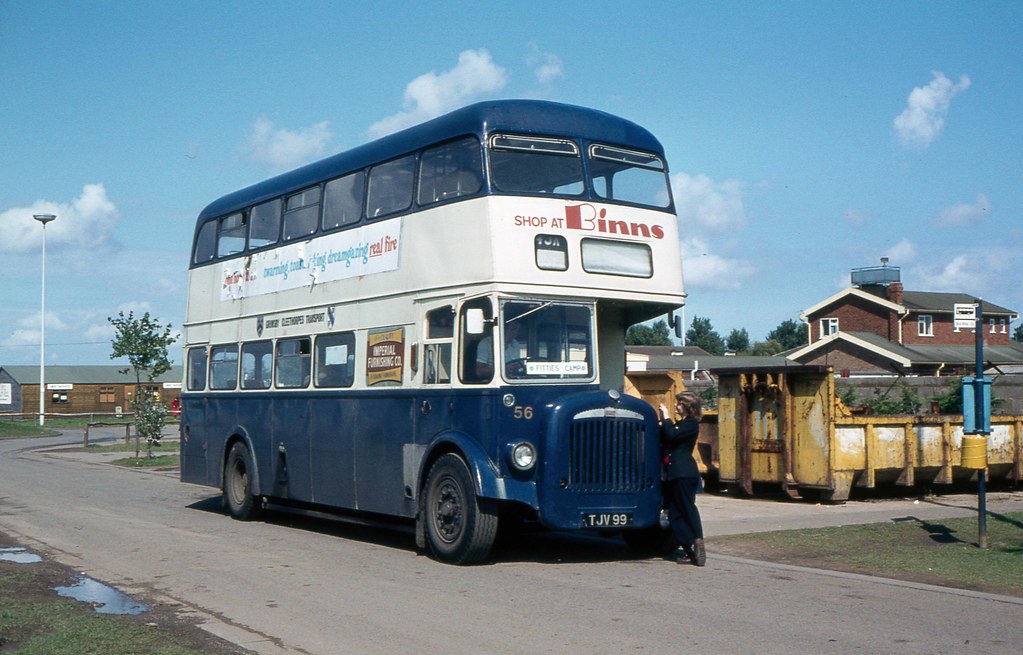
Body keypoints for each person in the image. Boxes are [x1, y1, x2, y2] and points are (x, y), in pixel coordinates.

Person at [659, 391, 706, 566]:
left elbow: (672, 435)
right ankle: (690, 548)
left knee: (686, 508)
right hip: (674, 473)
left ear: (688, 406)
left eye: (679, 403)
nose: (676, 406)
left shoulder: (691, 424)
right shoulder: (682, 424)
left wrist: (665, 417)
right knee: (675, 513)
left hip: (684, 473)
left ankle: (697, 540)